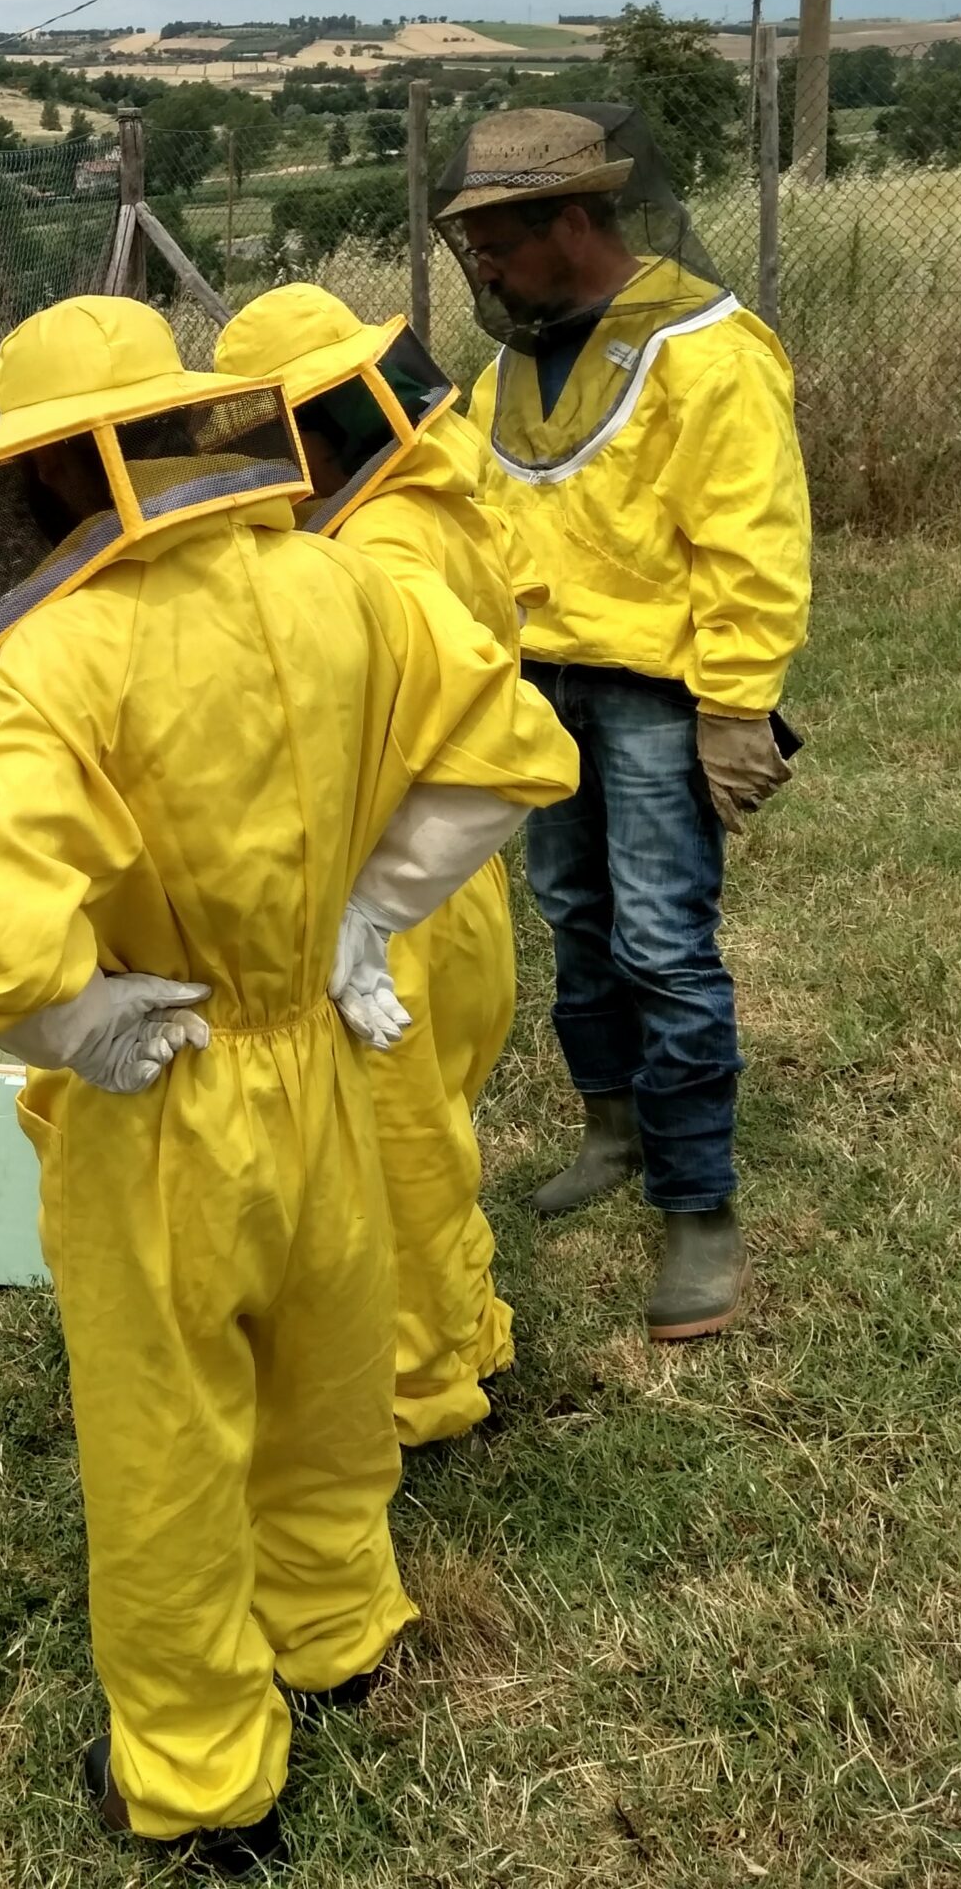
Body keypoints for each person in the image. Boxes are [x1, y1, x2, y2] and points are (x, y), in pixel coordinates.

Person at [0, 296, 576, 1870]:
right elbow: (508, 748)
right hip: (327, 1065)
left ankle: (205, 1779)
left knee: (168, 1442)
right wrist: (368, 916)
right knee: (332, 1385)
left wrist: (77, 1027)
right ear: (191, 433)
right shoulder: (342, 580)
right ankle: (339, 1630)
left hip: (165, 1105)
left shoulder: (67, 652)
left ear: (61, 475)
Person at [432, 104, 812, 1341]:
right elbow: (488, 529)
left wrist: (735, 706)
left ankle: (697, 1205)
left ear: (575, 219)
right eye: (470, 242)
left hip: (655, 698)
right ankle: (610, 1128)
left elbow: (751, 541)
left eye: (494, 238)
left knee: (661, 939)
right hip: (540, 690)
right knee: (573, 916)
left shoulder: (707, 346)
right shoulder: (509, 365)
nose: (478, 264)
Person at [214, 284, 557, 1445]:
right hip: (458, 894)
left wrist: (366, 905)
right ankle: (466, 1336)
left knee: (396, 1156)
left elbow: (496, 736)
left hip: (406, 898)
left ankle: (420, 1395)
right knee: (432, 1138)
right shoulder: (435, 482)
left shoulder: (382, 545)